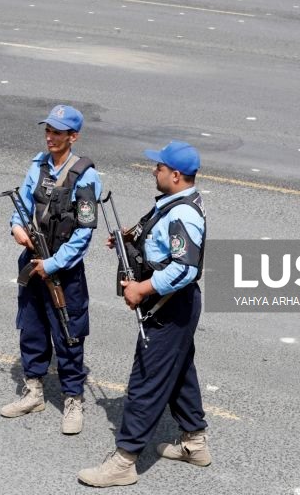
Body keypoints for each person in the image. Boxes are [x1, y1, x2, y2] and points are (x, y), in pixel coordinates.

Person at [77, 141, 210, 487]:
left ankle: (124, 460)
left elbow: (185, 269)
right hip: (174, 307)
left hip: (170, 306)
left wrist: (142, 289)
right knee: (178, 370)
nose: (155, 171)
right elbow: (156, 237)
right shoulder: (173, 204)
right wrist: (129, 239)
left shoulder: (183, 214)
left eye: (160, 167)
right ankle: (195, 443)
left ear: (176, 175)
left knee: (146, 380)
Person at [0, 105, 102, 435]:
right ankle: (34, 390)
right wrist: (16, 227)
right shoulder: (39, 165)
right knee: (31, 325)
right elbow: (24, 205)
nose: (50, 137)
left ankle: (73, 399)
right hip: (33, 258)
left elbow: (85, 233)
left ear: (73, 137)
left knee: (68, 332)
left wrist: (53, 264)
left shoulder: (86, 176)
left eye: (57, 132)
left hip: (63, 267)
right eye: (48, 130)